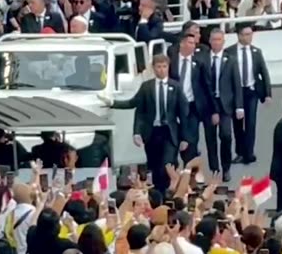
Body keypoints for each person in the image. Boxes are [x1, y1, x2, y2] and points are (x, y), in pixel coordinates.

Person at [98, 54, 188, 192]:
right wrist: (112, 103)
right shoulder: (147, 87)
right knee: (154, 164)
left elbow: (184, 114)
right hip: (152, 132)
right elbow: (135, 106)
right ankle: (159, 194)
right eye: (159, 67)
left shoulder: (175, 87)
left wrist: (185, 137)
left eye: (164, 66)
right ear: (154, 68)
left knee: (167, 163)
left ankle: (169, 189)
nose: (162, 70)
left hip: (169, 132)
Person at [226, 23, 272, 165]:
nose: (248, 37)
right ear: (239, 35)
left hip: (251, 91)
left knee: (250, 123)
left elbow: (264, 73)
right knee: (238, 123)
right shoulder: (230, 52)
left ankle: (249, 153)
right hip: (236, 92)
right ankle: (240, 152)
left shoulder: (256, 52)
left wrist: (268, 93)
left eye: (250, 34)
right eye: (245, 34)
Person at [169, 33, 217, 166]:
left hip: (192, 106)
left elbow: (208, 86)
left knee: (191, 140)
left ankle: (189, 171)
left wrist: (214, 110)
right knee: (174, 138)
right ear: (182, 44)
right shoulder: (171, 61)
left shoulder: (199, 63)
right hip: (174, 106)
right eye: (190, 43)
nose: (193, 46)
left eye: (194, 43)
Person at [202, 28, 243, 182]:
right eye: (214, 39)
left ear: (223, 42)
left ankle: (226, 168)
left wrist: (239, 106)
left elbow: (236, 84)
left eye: (219, 40)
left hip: (226, 105)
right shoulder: (203, 59)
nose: (216, 42)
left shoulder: (230, 59)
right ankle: (214, 169)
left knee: (226, 136)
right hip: (208, 105)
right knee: (210, 139)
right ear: (210, 41)